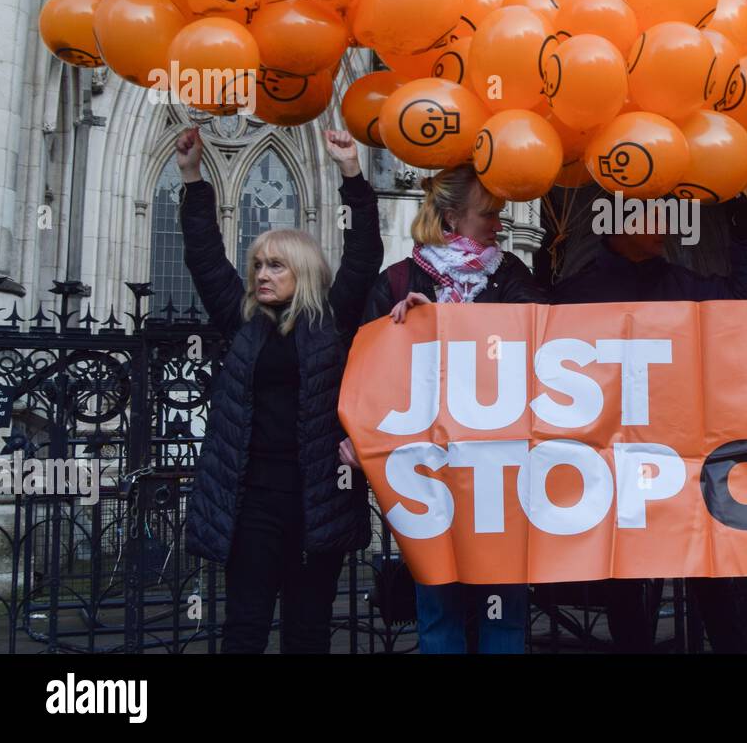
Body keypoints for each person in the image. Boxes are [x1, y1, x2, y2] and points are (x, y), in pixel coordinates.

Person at [177, 126, 382, 653]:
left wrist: (351, 174)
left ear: (304, 271)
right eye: (257, 266)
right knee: (244, 627)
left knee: (308, 630)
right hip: (254, 502)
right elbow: (203, 256)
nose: (261, 275)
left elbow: (364, 251)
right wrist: (192, 175)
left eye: (274, 265)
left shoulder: (332, 320)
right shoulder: (241, 319)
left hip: (319, 500)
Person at [348, 164, 548, 654]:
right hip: (428, 470)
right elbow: (366, 373)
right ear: (453, 217)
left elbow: (544, 337)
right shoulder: (396, 282)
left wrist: (447, 319)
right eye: (489, 214)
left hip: (499, 471)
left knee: (503, 606)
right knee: (438, 608)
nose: (499, 223)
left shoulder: (512, 274)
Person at [553, 195, 747, 653]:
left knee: (713, 582)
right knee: (628, 591)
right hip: (618, 475)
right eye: (653, 213)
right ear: (618, 224)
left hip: (687, 468)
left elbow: (743, 304)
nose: (667, 223)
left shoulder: (685, 283)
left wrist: (744, 231)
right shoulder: (575, 295)